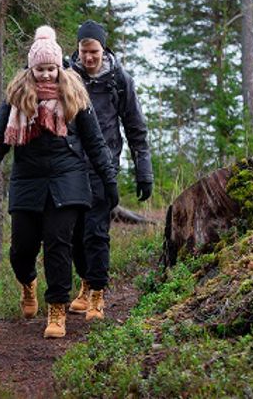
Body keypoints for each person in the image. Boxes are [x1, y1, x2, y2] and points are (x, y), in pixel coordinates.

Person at [0, 25, 117, 339]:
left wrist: (109, 179)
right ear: (31, 68)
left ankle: (57, 311)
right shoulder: (16, 97)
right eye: (41, 69)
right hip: (28, 180)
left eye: (52, 68)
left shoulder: (75, 92)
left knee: (58, 245)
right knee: (21, 249)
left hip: (68, 179)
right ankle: (28, 283)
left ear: (59, 66)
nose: (47, 75)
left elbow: (94, 143)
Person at [68, 20, 153, 321]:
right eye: (84, 51)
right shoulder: (66, 77)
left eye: (94, 52)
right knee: (75, 233)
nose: (89, 58)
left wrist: (144, 171)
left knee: (96, 231)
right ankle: (86, 282)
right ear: (77, 50)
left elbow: (135, 127)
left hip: (104, 166)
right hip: (70, 165)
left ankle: (98, 294)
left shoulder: (119, 80)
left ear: (103, 50)